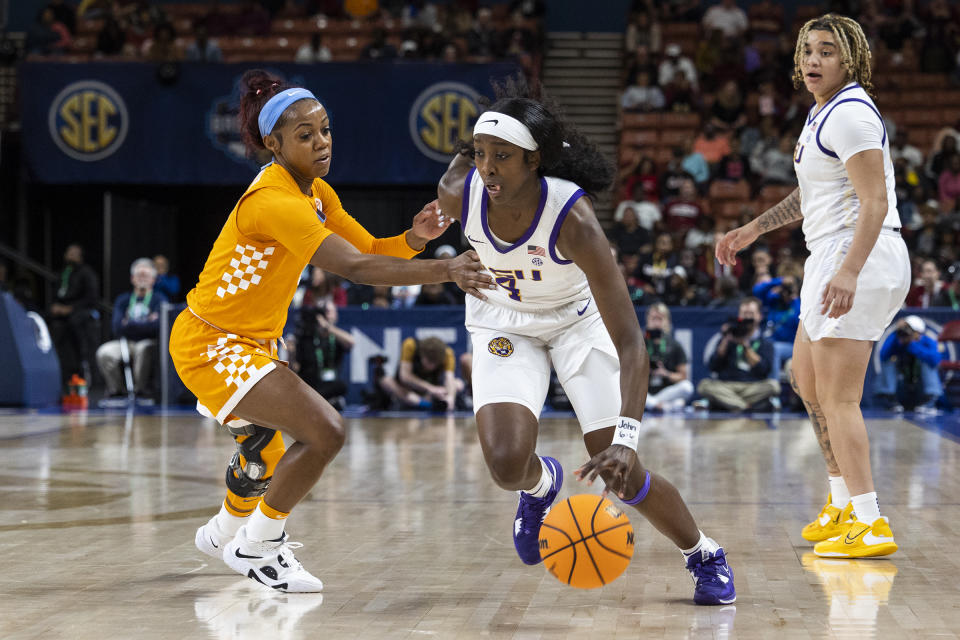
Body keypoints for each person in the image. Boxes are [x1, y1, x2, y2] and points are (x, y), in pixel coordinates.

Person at [168, 69, 492, 593]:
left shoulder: (315, 191)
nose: (321, 143)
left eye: (324, 129)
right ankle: (257, 546)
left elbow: (367, 250)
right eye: (305, 136)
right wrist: (446, 269)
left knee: (268, 451)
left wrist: (414, 237)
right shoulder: (273, 202)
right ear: (273, 144)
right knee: (326, 432)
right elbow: (356, 270)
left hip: (249, 341)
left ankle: (223, 533)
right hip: (213, 344)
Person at [436, 78, 735, 605]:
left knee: (620, 470)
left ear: (536, 161)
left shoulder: (573, 219)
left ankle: (704, 553)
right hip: (503, 320)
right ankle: (540, 486)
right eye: (481, 154)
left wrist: (627, 436)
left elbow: (632, 344)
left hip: (578, 323)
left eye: (502, 156)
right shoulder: (460, 192)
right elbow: (449, 194)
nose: (487, 167)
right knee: (506, 464)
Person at [716, 15, 910, 558]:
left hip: (860, 254)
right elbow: (814, 195)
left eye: (826, 51)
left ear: (848, 59)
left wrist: (848, 270)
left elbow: (873, 201)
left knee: (839, 397)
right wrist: (755, 227)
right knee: (805, 378)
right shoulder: (821, 114)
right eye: (807, 50)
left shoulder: (850, 114)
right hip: (831, 253)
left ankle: (871, 521)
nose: (813, 60)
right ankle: (841, 501)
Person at [97, 258, 167, 405]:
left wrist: (129, 323)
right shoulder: (123, 300)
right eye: (139, 275)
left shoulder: (159, 299)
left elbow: (158, 327)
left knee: (144, 348)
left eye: (146, 275)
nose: (142, 279)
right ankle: (117, 391)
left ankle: (139, 391)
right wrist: (147, 322)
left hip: (149, 342)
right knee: (104, 352)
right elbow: (116, 327)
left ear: (153, 279)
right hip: (125, 342)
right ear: (132, 278)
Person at [696, 296, 780, 411]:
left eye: (751, 314)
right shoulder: (728, 337)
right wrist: (725, 340)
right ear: (739, 316)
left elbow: (763, 370)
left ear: (759, 316)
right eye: (744, 314)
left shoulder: (765, 343)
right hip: (727, 385)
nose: (747, 318)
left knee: (773, 386)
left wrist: (745, 346)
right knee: (704, 385)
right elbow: (713, 366)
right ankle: (744, 407)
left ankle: (730, 403)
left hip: (752, 387)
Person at [48, 244, 100, 386]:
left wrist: (70, 308)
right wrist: (56, 307)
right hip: (61, 316)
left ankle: (83, 370)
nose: (71, 256)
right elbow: (57, 294)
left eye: (74, 253)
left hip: (80, 313)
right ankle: (57, 372)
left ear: (80, 257)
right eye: (69, 253)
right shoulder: (62, 273)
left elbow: (92, 298)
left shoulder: (87, 273)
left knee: (75, 322)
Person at [874, 315, 943, 413]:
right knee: (889, 360)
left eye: (910, 330)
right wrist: (898, 341)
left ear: (918, 332)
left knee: (928, 362)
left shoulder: (927, 341)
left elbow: (936, 360)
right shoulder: (897, 339)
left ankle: (930, 401)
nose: (906, 332)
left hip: (921, 386)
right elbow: (883, 355)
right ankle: (890, 398)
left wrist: (913, 345)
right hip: (900, 385)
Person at [376, 336, 464, 410]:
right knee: (386, 381)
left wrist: (450, 399)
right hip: (408, 390)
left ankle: (436, 403)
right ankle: (426, 405)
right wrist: (430, 388)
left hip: (432, 392)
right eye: (429, 362)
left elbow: (449, 378)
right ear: (421, 354)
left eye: (435, 364)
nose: (431, 367)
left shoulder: (448, 354)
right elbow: (405, 377)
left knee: (458, 384)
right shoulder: (410, 345)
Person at [643, 303, 693, 411]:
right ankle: (665, 406)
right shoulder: (640, 343)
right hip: (645, 391)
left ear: (667, 322)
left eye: (660, 319)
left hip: (665, 391)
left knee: (687, 387)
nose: (656, 323)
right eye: (653, 318)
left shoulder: (675, 345)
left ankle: (655, 405)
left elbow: (683, 376)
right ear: (647, 320)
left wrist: (666, 373)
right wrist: (647, 371)